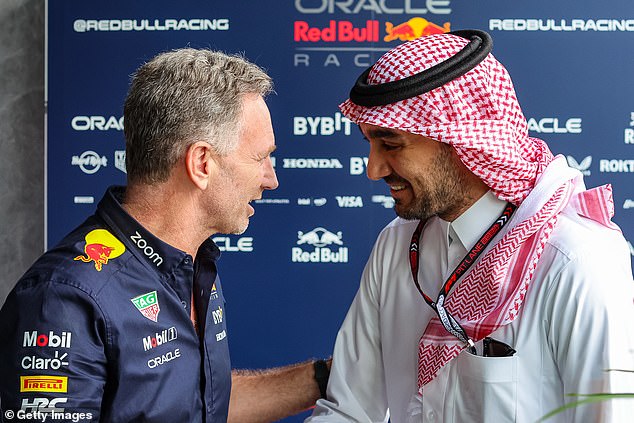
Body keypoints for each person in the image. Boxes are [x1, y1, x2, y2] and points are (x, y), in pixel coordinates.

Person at [307, 30, 634, 422]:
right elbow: (348, 411)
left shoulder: (573, 260)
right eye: (369, 144)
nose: (373, 169)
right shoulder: (395, 246)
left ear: (460, 141)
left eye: (390, 145)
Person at [0, 48, 329, 423]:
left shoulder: (193, 264)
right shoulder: (64, 299)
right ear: (202, 163)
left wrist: (327, 378)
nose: (271, 179)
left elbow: (201, 404)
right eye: (261, 158)